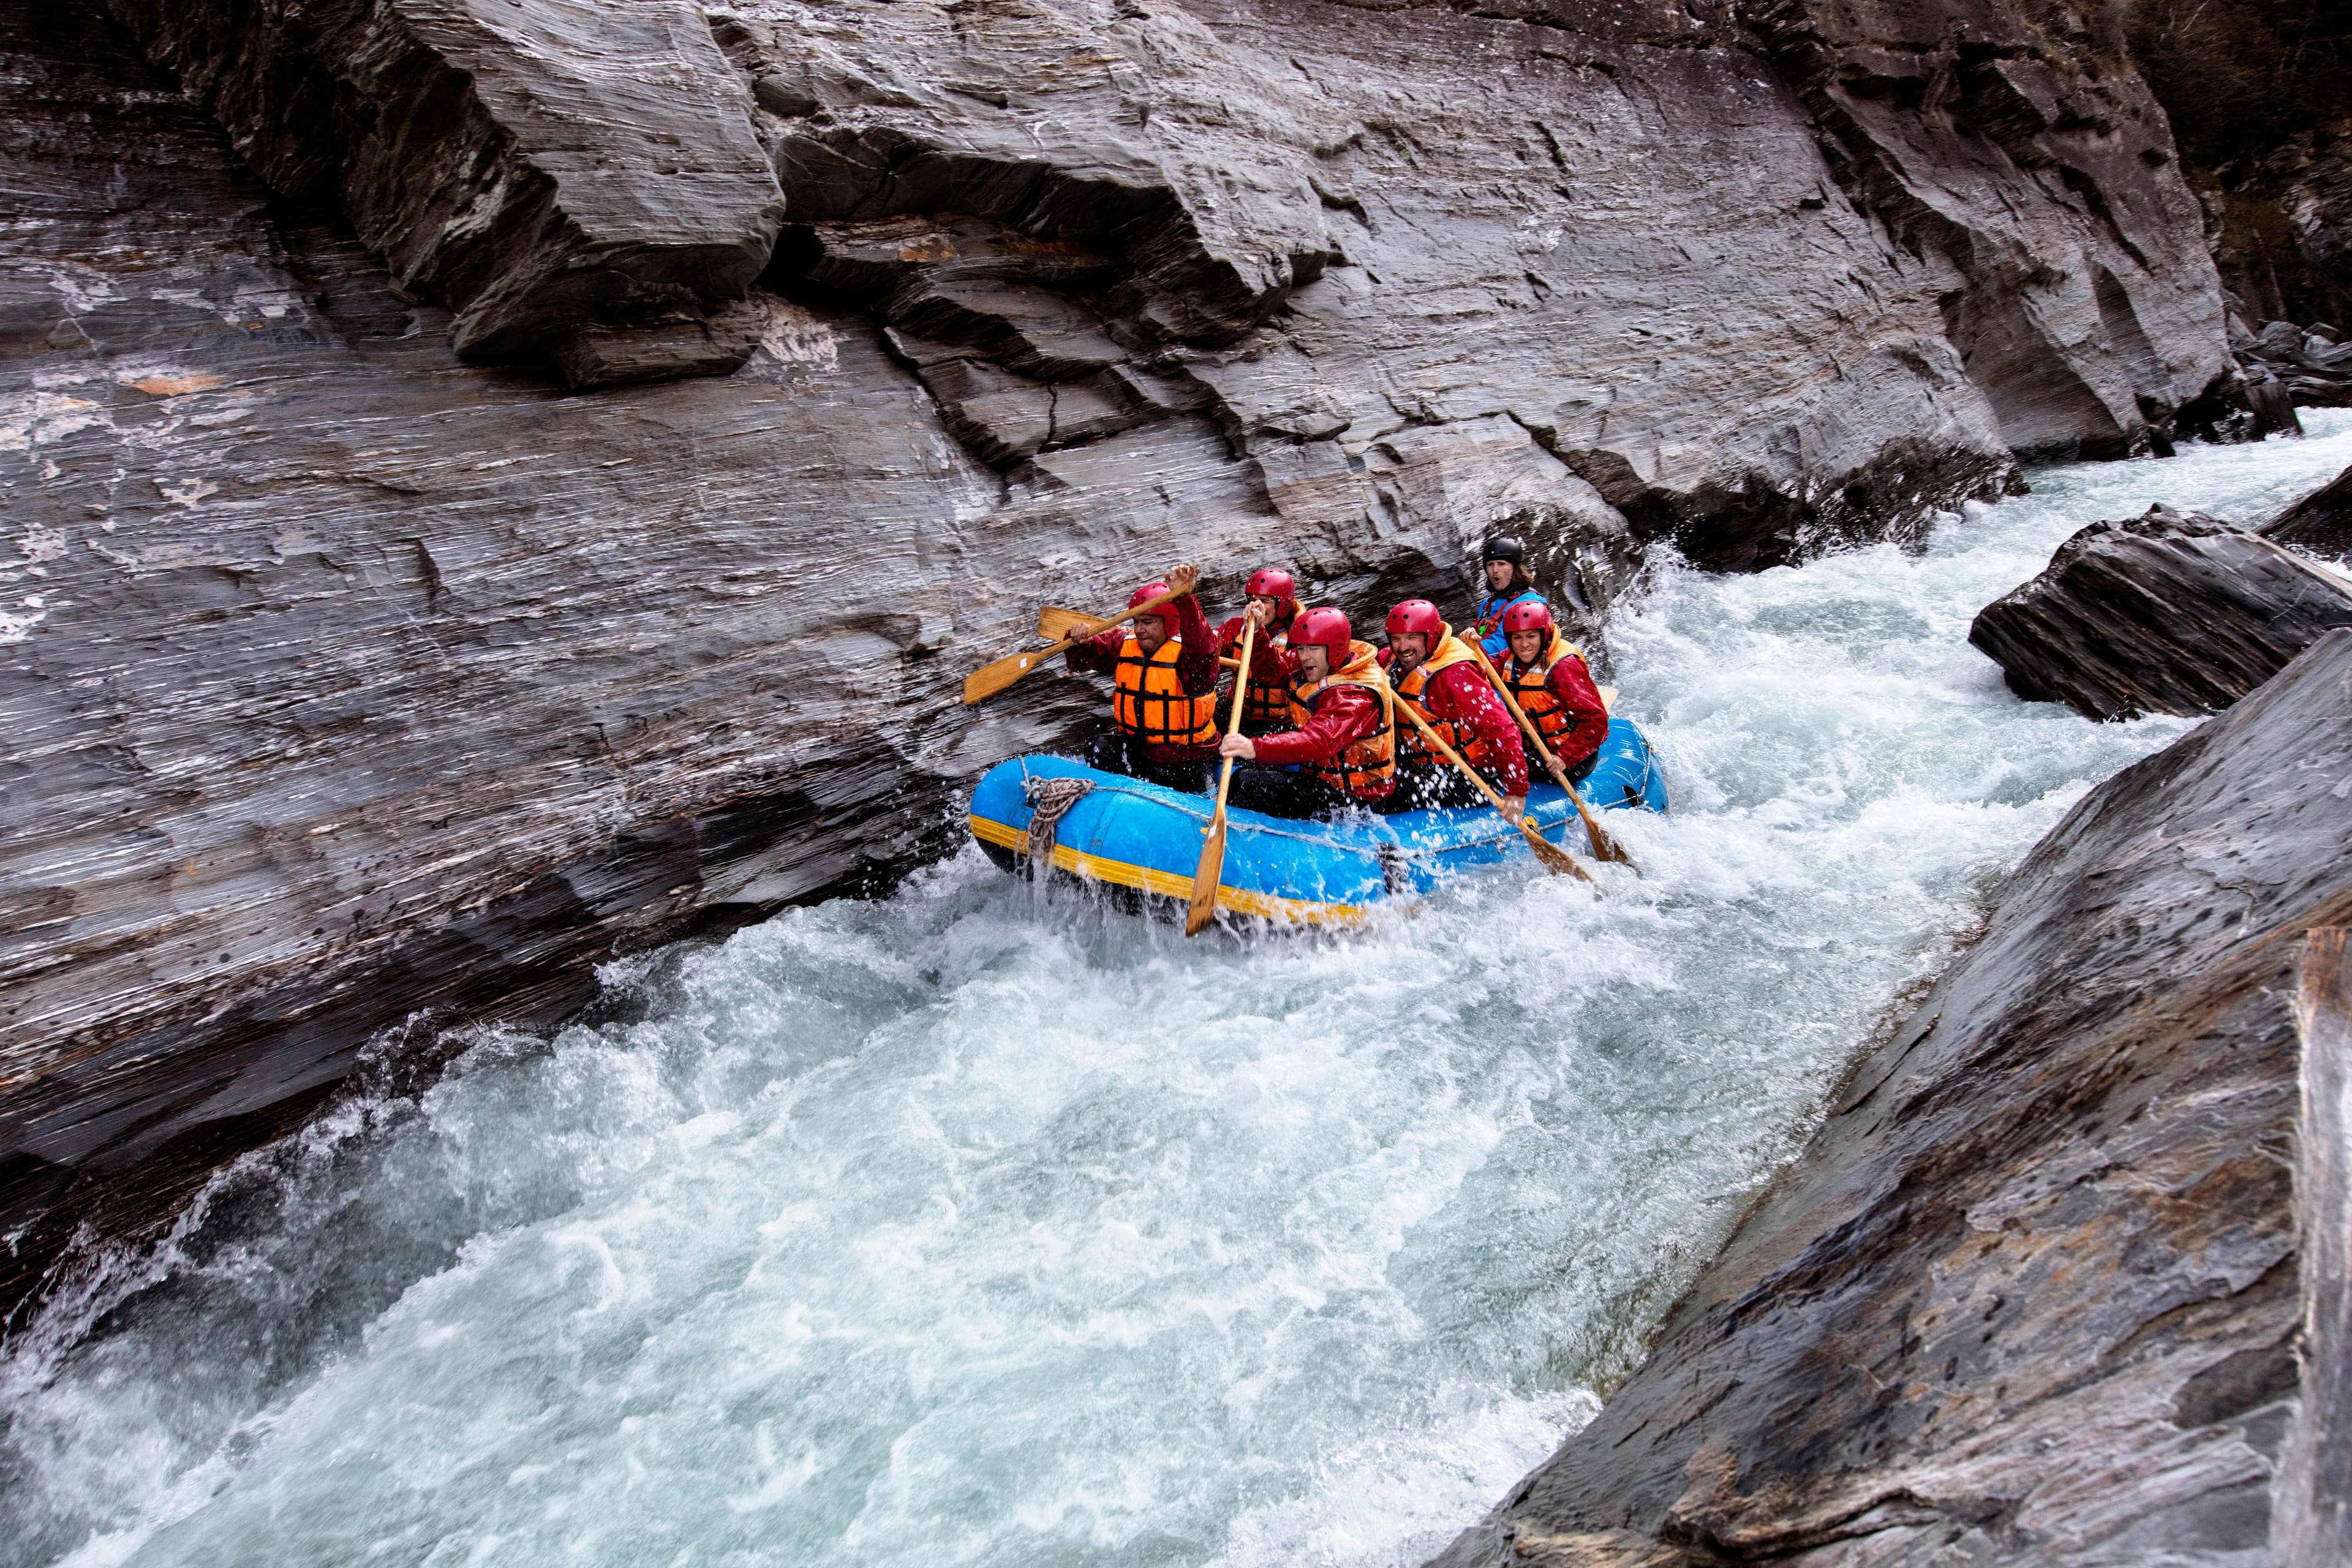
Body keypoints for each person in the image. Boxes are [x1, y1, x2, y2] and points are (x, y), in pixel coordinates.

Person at [1215, 608, 1396, 819]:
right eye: (1300, 648)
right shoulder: (1317, 663)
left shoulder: (1354, 695)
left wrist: (1255, 748)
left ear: (1335, 649)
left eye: (1313, 648)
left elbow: (1319, 742)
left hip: (1357, 798)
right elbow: (1272, 671)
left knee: (1248, 782)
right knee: (1249, 767)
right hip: (1321, 778)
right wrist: (1257, 633)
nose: (1304, 657)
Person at [1063, 565, 1219, 792]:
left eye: (1148, 622)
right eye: (1136, 622)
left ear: (1170, 622)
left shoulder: (1191, 656)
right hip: (1141, 751)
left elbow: (1202, 651)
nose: (1140, 629)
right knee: (1098, 747)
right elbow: (1083, 661)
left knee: (1191, 783)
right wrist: (1080, 643)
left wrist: (1186, 599)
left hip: (1185, 758)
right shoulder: (1125, 642)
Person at [1380, 598, 1527, 817]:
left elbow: (1502, 729)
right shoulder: (1397, 660)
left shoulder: (1455, 675)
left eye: (1412, 638)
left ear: (1429, 638)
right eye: (1396, 639)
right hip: (1427, 764)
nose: (1403, 647)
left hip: (1473, 775)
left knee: (1386, 793)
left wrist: (1517, 790)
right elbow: (1366, 658)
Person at [1488, 600, 1610, 780]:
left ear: (1543, 635)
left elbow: (1595, 721)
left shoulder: (1564, 667)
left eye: (1531, 636)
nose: (1524, 644)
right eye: (1517, 637)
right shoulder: (1509, 658)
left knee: (1492, 772)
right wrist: (1471, 649)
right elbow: (1482, 674)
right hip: (1534, 749)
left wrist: (1564, 758)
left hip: (1570, 759)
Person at [1215, 567, 1306, 736]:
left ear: (1283, 606)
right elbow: (1206, 659)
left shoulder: (1299, 637)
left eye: (1264, 601)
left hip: (1279, 722)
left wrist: (1257, 632)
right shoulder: (1236, 627)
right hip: (1238, 711)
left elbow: (1272, 674)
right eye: (1252, 600)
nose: (1255, 607)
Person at [1468, 536, 1546, 658]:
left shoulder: (1529, 604)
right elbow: (1480, 635)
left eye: (1502, 564)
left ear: (1515, 568)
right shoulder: (1487, 605)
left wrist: (1463, 650)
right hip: (1486, 664)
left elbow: (1504, 646)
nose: (1495, 570)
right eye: (1490, 565)